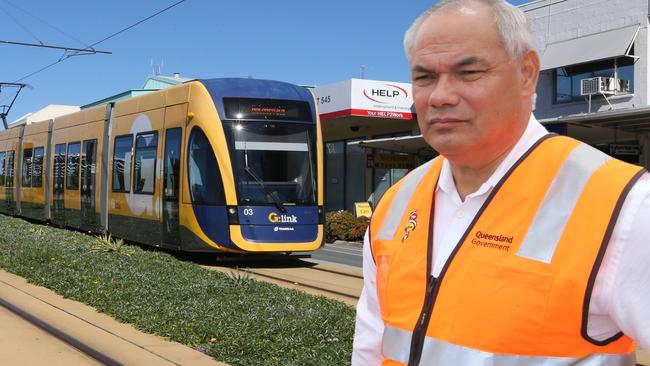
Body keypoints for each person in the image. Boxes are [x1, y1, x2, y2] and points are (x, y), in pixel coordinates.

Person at [351, 0, 650, 365]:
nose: (441, 96)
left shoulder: (626, 203)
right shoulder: (395, 203)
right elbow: (371, 342)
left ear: (527, 73)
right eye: (424, 76)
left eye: (469, 72)